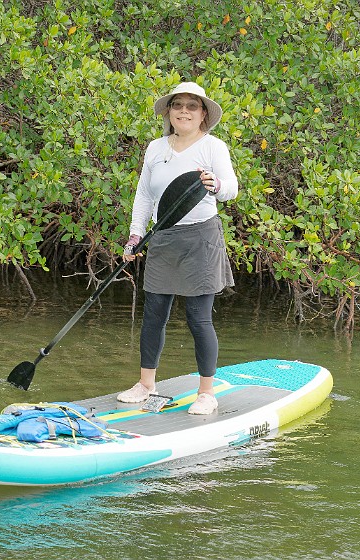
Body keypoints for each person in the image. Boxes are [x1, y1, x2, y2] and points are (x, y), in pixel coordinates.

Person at [118, 82, 239, 415]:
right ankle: (145, 385)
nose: (184, 111)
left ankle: (206, 393)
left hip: (201, 239)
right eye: (178, 105)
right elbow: (145, 195)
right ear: (169, 112)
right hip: (163, 237)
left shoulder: (214, 147)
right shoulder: (156, 148)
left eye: (192, 106)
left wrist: (216, 184)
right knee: (154, 315)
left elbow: (231, 188)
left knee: (199, 318)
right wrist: (135, 235)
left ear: (203, 115)